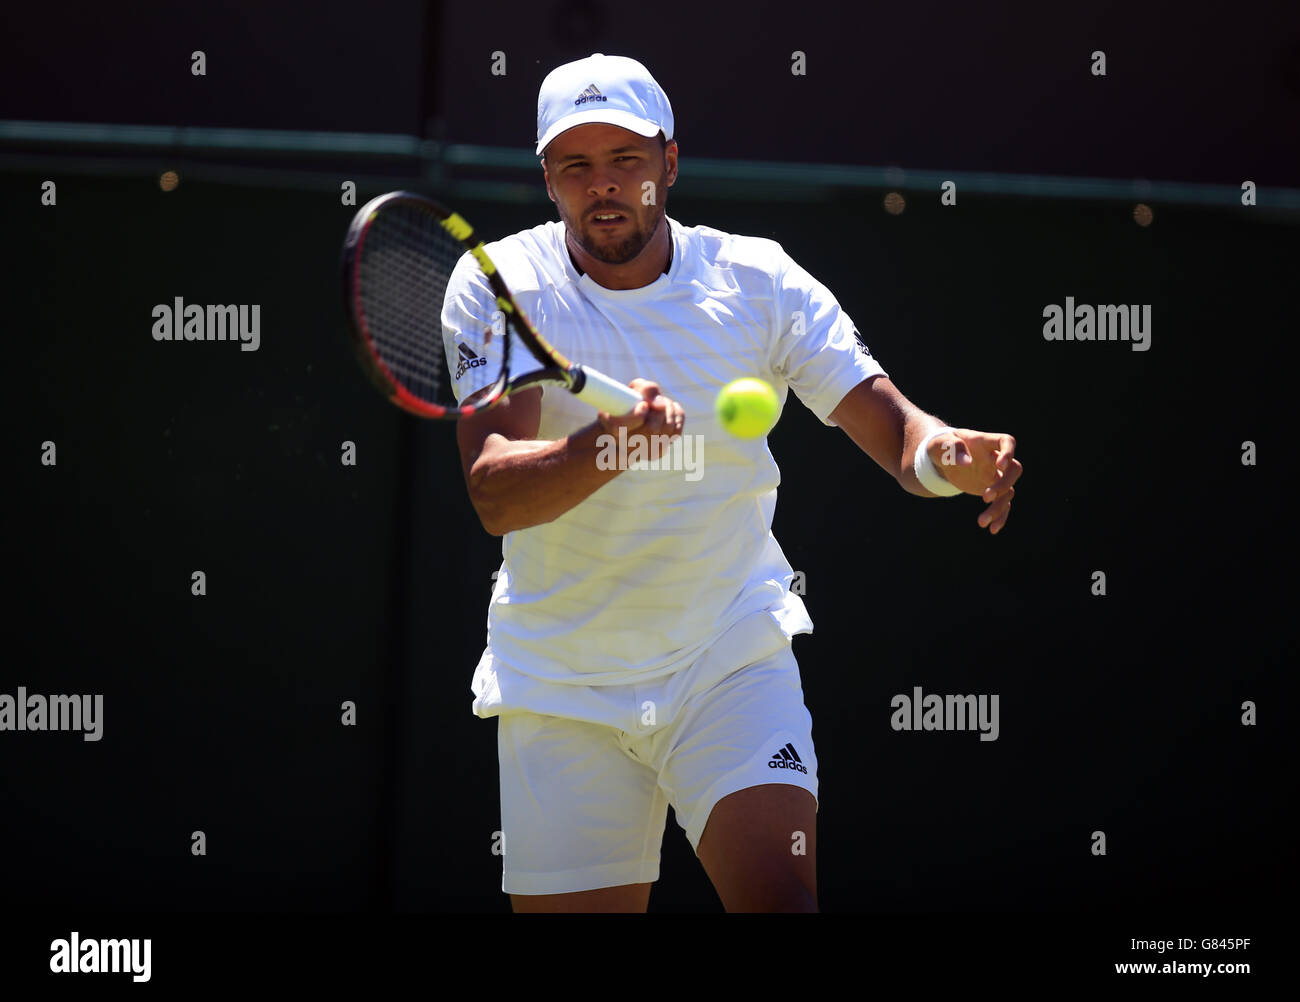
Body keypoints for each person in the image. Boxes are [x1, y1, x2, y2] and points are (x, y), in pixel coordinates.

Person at [441, 53, 1022, 912]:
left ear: (669, 164)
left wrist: (948, 460)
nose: (604, 187)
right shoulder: (499, 287)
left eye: (626, 161)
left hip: (727, 656)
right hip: (561, 681)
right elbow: (494, 492)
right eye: (577, 166)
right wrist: (607, 447)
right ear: (548, 181)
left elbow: (899, 436)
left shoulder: (760, 281)